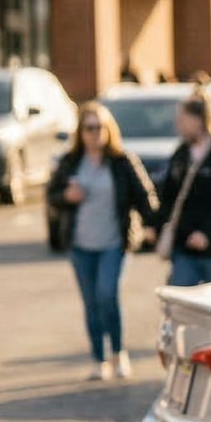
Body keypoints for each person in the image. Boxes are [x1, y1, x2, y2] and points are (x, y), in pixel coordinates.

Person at [48, 102, 159, 380]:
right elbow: (52, 196)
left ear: (109, 129)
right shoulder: (71, 162)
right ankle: (99, 359)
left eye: (99, 127)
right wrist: (66, 197)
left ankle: (118, 353)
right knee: (90, 302)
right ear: (80, 132)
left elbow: (146, 197)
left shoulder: (123, 162)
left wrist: (152, 225)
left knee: (107, 295)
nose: (94, 133)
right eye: (88, 128)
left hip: (113, 242)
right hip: (81, 244)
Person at [154, 92, 211, 287]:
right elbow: (168, 196)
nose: (178, 125)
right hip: (184, 249)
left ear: (199, 120)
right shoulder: (181, 155)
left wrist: (206, 233)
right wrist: (155, 225)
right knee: (181, 308)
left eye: (182, 119)